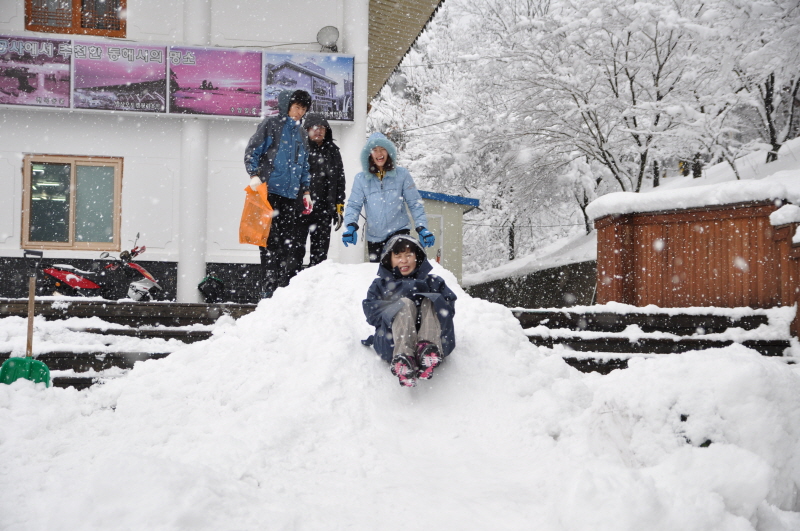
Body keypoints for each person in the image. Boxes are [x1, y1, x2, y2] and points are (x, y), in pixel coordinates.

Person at [244, 89, 313, 298]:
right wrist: (254, 174)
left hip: (290, 196)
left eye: (303, 108)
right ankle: (268, 286)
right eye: (297, 106)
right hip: (269, 192)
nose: (299, 112)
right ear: (287, 105)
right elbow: (252, 150)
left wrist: (306, 190)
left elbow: (304, 165)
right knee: (268, 241)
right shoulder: (271, 124)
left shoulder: (301, 133)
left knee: (287, 243)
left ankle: (282, 288)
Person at [362, 234, 457, 387]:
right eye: (398, 255)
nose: (404, 260)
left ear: (417, 257)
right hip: (392, 343)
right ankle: (404, 359)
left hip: (436, 339)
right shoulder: (381, 285)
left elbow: (448, 309)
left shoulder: (433, 282)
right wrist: (400, 307)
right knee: (404, 304)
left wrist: (424, 302)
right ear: (389, 259)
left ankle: (427, 349)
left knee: (433, 300)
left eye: (408, 255)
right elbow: (372, 312)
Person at [342, 132, 435, 262]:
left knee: (400, 272)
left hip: (399, 232)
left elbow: (415, 203)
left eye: (383, 149)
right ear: (369, 154)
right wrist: (350, 226)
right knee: (380, 276)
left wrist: (422, 228)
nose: (379, 154)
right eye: (375, 150)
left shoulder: (402, 174)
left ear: (389, 152)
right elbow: (354, 205)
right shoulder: (361, 179)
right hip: (374, 237)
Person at [295, 113, 346, 268]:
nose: (319, 131)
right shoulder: (299, 149)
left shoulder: (333, 152)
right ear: (307, 130)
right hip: (300, 210)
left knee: (320, 256)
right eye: (315, 127)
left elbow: (339, 181)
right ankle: (290, 288)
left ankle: (316, 288)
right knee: (294, 253)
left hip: (324, 210)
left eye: (322, 128)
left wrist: (339, 206)